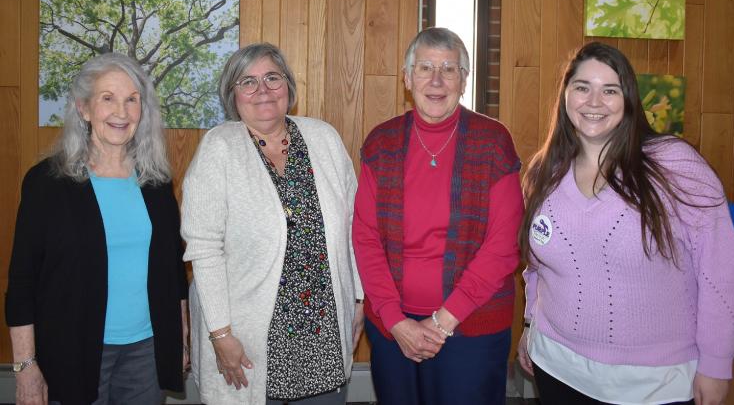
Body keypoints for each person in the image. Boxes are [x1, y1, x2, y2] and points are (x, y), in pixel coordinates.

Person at [517, 42, 734, 405]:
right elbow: (536, 269)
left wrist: (717, 364)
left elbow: (721, 273)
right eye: (582, 87)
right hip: (557, 366)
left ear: (629, 100)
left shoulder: (675, 166)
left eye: (610, 90)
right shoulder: (543, 172)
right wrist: (530, 327)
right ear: (565, 96)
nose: (594, 101)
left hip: (654, 383)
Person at [182, 43, 364, 405]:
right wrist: (220, 335)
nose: (262, 90)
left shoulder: (323, 138)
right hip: (247, 336)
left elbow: (354, 225)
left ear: (288, 87)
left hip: (322, 330)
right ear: (232, 95)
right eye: (247, 82)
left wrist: (358, 298)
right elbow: (204, 247)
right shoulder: (219, 148)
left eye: (271, 78)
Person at [353, 27, 524, 405]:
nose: (435, 80)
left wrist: (443, 321)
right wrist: (396, 321)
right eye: (425, 67)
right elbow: (365, 239)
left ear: (464, 80)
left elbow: (503, 246)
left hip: (472, 328)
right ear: (406, 77)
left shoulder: (493, 142)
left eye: (448, 69)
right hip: (392, 328)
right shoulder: (381, 143)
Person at [5, 53, 189, 405]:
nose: (121, 112)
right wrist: (25, 366)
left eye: (131, 100)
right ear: (84, 109)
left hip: (145, 353)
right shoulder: (47, 182)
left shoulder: (157, 181)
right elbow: (23, 282)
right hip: (72, 350)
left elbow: (173, 269)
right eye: (108, 98)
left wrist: (178, 338)